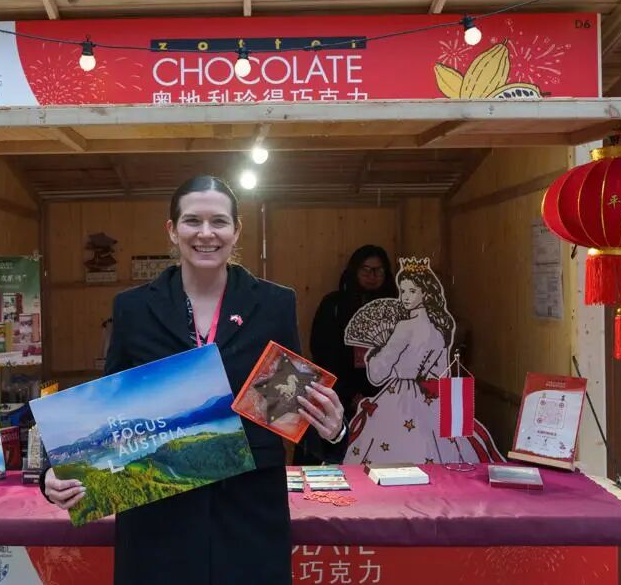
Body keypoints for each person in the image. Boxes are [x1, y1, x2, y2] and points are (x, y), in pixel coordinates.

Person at [40, 175, 347, 585]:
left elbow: (289, 406)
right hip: (158, 518)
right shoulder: (133, 308)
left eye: (219, 222)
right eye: (192, 221)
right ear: (172, 230)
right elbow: (105, 407)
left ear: (236, 230)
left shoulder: (274, 303)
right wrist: (51, 470)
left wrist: (331, 430)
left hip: (249, 517)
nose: (206, 233)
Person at [344, 258, 502, 466]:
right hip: (434, 399)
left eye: (411, 291)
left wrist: (375, 354)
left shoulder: (404, 327)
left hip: (399, 400)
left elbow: (377, 374)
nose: (405, 297)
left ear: (425, 294)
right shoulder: (442, 329)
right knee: (442, 454)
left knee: (385, 458)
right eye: (402, 291)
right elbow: (440, 371)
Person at [294, 245, 396, 465]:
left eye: (378, 271)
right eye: (365, 269)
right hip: (338, 392)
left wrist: (376, 394)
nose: (371, 276)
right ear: (354, 270)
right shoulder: (334, 304)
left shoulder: (397, 307)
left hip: (385, 395)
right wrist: (350, 394)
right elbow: (322, 350)